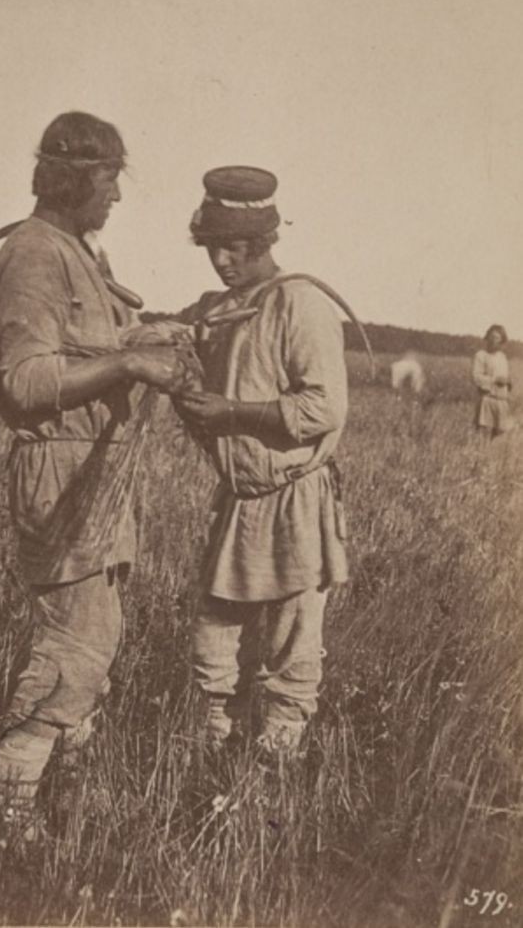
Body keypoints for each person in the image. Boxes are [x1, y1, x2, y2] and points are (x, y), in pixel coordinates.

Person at [0, 111, 187, 822]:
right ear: (74, 178)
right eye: (109, 179)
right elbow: (28, 382)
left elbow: (76, 349)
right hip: (62, 478)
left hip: (92, 479)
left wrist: (141, 334)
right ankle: (1, 833)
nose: (117, 197)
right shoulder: (35, 255)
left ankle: (64, 812)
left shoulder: (72, 250)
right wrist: (128, 360)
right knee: (71, 652)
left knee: (91, 648)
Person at [174, 166, 349, 757]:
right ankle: (212, 757)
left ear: (264, 243)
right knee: (215, 644)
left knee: (291, 648)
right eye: (214, 246)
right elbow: (168, 338)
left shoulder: (300, 303)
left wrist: (231, 413)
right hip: (239, 502)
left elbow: (323, 407)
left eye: (237, 247)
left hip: (293, 499)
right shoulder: (218, 308)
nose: (223, 259)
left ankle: (274, 773)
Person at [472, 324, 512, 439]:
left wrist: (508, 382)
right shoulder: (481, 355)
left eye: (498, 338)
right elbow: (476, 378)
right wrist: (495, 380)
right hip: (487, 399)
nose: (494, 340)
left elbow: (505, 377)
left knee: (499, 437)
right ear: (487, 337)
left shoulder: (502, 357)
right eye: (492, 337)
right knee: (483, 436)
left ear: (501, 341)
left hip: (502, 401)